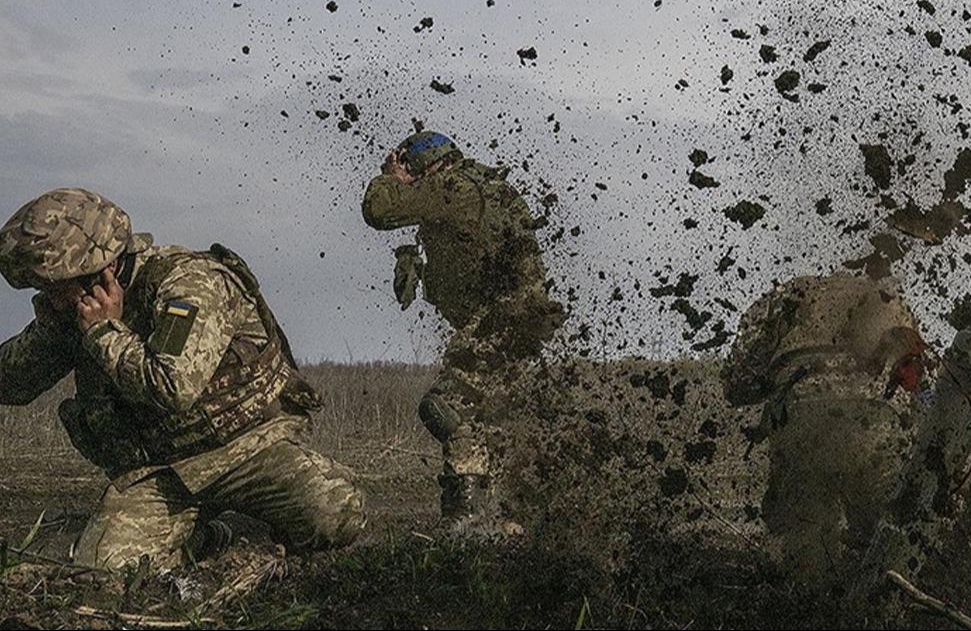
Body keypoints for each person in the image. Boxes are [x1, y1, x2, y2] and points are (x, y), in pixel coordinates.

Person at [0, 188, 364, 571]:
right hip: (163, 472)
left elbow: (173, 387)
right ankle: (209, 537)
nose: (52, 300)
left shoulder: (189, 283)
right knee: (104, 567)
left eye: (57, 288)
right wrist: (56, 331)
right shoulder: (77, 309)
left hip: (248, 450)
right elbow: (13, 382)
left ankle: (246, 529)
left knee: (336, 512)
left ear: (102, 270)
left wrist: (105, 333)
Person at [362, 130, 564, 525]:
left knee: (449, 408)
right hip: (516, 325)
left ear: (425, 165)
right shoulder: (488, 186)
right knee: (493, 417)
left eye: (411, 168)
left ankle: (467, 522)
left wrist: (390, 176)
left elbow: (379, 210)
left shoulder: (451, 187)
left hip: (499, 326)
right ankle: (517, 517)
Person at [722, 273, 929, 587]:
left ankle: (812, 603)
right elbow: (923, 384)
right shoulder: (887, 295)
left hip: (803, 411)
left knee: (805, 544)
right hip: (878, 418)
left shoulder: (791, 294)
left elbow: (738, 381)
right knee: (889, 535)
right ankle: (891, 604)